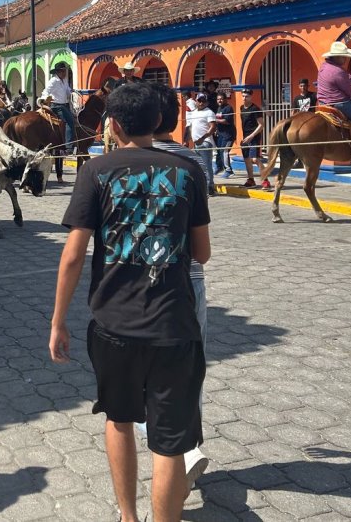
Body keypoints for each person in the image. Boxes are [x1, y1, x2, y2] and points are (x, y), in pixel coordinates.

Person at [50, 82, 210, 522]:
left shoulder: (95, 171)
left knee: (119, 420)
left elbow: (72, 256)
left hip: (113, 325)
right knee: (169, 443)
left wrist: (58, 321)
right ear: (157, 122)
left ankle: (127, 516)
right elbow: (202, 253)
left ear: (113, 124)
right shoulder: (188, 171)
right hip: (173, 324)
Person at [145, 83, 213, 490]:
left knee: (139, 378)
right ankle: (187, 445)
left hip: (137, 282)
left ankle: (174, 453)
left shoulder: (116, 164)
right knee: (190, 370)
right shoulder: (193, 164)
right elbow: (201, 250)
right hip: (189, 278)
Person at [185, 93, 217, 195]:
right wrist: (186, 140)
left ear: (207, 102)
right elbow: (190, 128)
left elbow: (213, 127)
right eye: (199, 100)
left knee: (207, 166)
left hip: (205, 143)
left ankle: (209, 187)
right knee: (199, 166)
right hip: (196, 143)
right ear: (196, 101)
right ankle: (202, 186)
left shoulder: (209, 112)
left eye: (203, 101)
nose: (201, 103)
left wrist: (203, 138)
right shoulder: (193, 113)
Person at [239, 90, 270, 190]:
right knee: (247, 160)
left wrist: (251, 136)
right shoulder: (241, 108)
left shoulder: (255, 108)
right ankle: (251, 180)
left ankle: (265, 180)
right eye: (243, 96)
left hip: (254, 137)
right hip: (245, 137)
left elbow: (262, 125)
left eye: (246, 96)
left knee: (255, 159)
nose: (244, 98)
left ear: (251, 97)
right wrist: (245, 137)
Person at [42, 63, 76, 147]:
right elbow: (46, 91)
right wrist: (45, 98)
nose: (65, 73)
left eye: (65, 71)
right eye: (63, 71)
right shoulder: (53, 81)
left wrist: (72, 92)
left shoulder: (64, 80)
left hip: (65, 105)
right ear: (58, 72)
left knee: (75, 118)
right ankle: (69, 146)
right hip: (57, 106)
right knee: (69, 121)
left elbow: (68, 90)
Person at [213, 92, 235, 177]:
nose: (220, 100)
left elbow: (226, 121)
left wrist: (215, 120)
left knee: (224, 151)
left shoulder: (228, 108)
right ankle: (219, 167)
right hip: (220, 134)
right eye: (218, 99)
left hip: (228, 135)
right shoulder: (219, 108)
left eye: (221, 99)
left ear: (225, 99)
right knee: (219, 151)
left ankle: (229, 170)